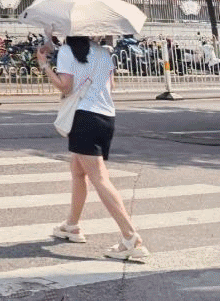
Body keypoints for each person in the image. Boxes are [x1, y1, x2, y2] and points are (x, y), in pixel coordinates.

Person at [37, 34, 149, 261]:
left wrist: (44, 66)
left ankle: (130, 238)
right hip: (106, 117)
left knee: (99, 178)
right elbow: (111, 85)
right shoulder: (104, 52)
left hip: (84, 117)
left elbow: (65, 87)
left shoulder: (67, 51)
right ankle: (72, 225)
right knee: (78, 171)